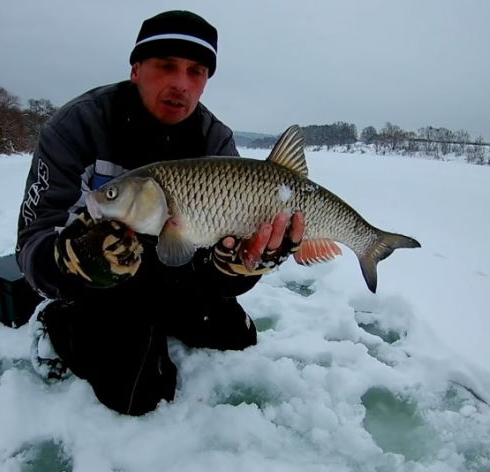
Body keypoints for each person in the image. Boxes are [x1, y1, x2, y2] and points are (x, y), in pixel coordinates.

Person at [16, 10, 305, 416]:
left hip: (173, 270)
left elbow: (218, 263)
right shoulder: (77, 126)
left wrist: (240, 265)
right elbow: (32, 239)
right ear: (136, 69)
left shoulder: (214, 140)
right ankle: (57, 324)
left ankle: (157, 318)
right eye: (166, 66)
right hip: (104, 284)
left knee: (237, 336)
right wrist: (71, 261)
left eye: (196, 71)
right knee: (141, 394)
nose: (180, 85)